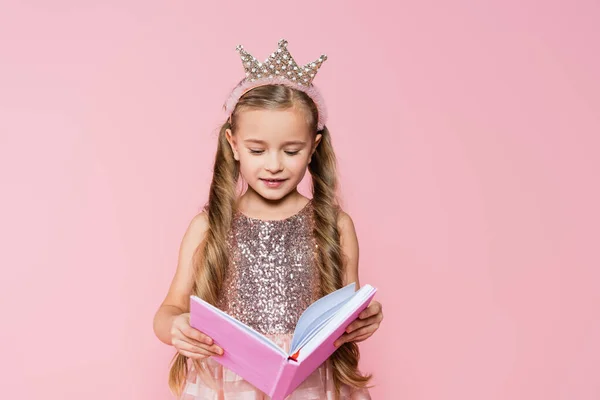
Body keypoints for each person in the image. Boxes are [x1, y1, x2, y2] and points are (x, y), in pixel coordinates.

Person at [153, 39, 384, 399]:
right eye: (257, 150)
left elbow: (346, 314)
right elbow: (168, 310)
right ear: (233, 144)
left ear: (314, 147)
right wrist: (175, 327)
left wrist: (365, 317)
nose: (274, 164)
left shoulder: (336, 226)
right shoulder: (208, 227)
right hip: (229, 383)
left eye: (291, 150)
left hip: (310, 385)